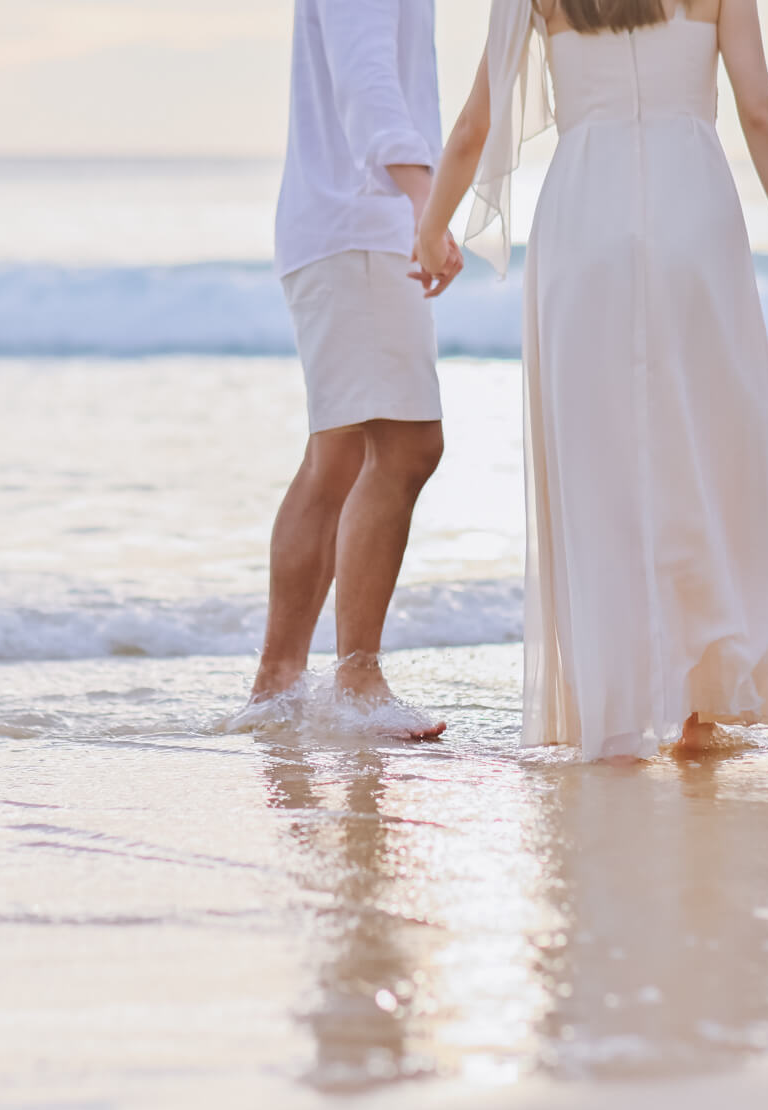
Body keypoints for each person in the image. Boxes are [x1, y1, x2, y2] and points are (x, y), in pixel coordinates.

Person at [412, 0, 768, 761]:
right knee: (708, 455)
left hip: (583, 228)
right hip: (694, 222)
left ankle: (612, 710)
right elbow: (760, 110)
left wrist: (432, 226)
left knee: (598, 474)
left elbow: (478, 120)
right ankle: (702, 709)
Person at [243, 0, 465, 739]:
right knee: (406, 445)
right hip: (360, 221)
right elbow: (366, 80)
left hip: (338, 222)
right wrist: (424, 197)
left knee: (337, 455)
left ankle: (277, 684)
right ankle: (358, 678)